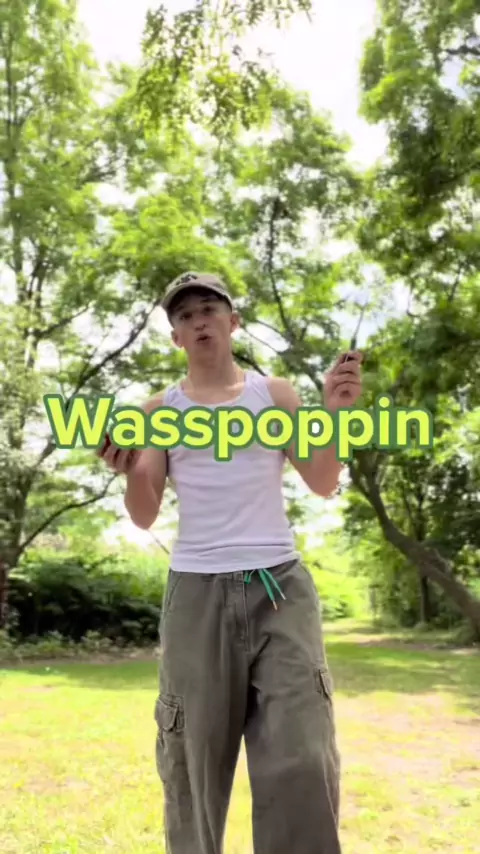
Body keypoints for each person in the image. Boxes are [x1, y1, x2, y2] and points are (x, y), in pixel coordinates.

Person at [98, 271, 363, 854]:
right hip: (197, 593)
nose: (199, 320)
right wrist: (131, 470)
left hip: (281, 589)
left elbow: (322, 480)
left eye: (209, 309)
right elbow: (144, 513)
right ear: (176, 336)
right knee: (193, 758)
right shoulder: (158, 410)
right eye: (185, 315)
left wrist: (338, 412)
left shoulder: (276, 395)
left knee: (303, 754)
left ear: (232, 322)